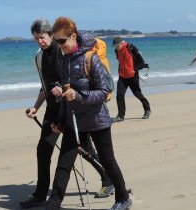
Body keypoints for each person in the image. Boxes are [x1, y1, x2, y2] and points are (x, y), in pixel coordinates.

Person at [20, 19, 114, 209]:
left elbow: (76, 79)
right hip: (53, 110)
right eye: (36, 39)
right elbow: (45, 86)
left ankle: (108, 179)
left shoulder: (63, 51)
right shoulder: (39, 57)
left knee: (84, 150)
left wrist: (64, 91)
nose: (40, 41)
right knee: (43, 150)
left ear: (51, 35)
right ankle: (40, 194)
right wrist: (36, 107)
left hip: (72, 109)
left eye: (43, 37)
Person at [47, 17, 132, 210]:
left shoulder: (90, 58)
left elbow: (103, 91)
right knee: (64, 165)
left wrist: (78, 95)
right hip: (73, 121)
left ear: (73, 36)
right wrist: (60, 95)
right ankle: (52, 205)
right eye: (56, 42)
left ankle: (123, 197)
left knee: (108, 160)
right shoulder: (65, 60)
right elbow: (68, 90)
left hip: (97, 120)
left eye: (62, 41)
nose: (60, 46)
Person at [111, 37, 151, 123]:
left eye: (117, 45)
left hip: (133, 76)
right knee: (119, 95)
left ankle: (147, 110)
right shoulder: (117, 51)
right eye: (114, 46)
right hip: (122, 76)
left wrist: (134, 69)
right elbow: (121, 62)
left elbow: (141, 61)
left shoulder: (131, 48)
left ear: (122, 43)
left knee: (137, 94)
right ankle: (121, 116)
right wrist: (120, 70)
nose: (116, 47)